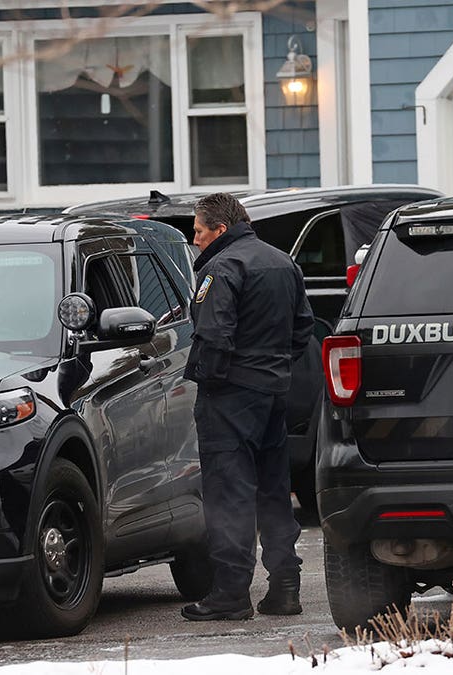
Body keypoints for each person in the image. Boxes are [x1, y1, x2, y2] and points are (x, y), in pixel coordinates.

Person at [180, 193, 314, 621]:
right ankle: (285, 588)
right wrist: (272, 369)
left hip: (230, 397)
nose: (195, 239)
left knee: (229, 494)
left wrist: (213, 380)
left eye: (199, 231)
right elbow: (303, 329)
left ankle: (231, 594)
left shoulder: (223, 267)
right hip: (273, 393)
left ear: (219, 229)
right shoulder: (282, 262)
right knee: (273, 491)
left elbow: (214, 334)